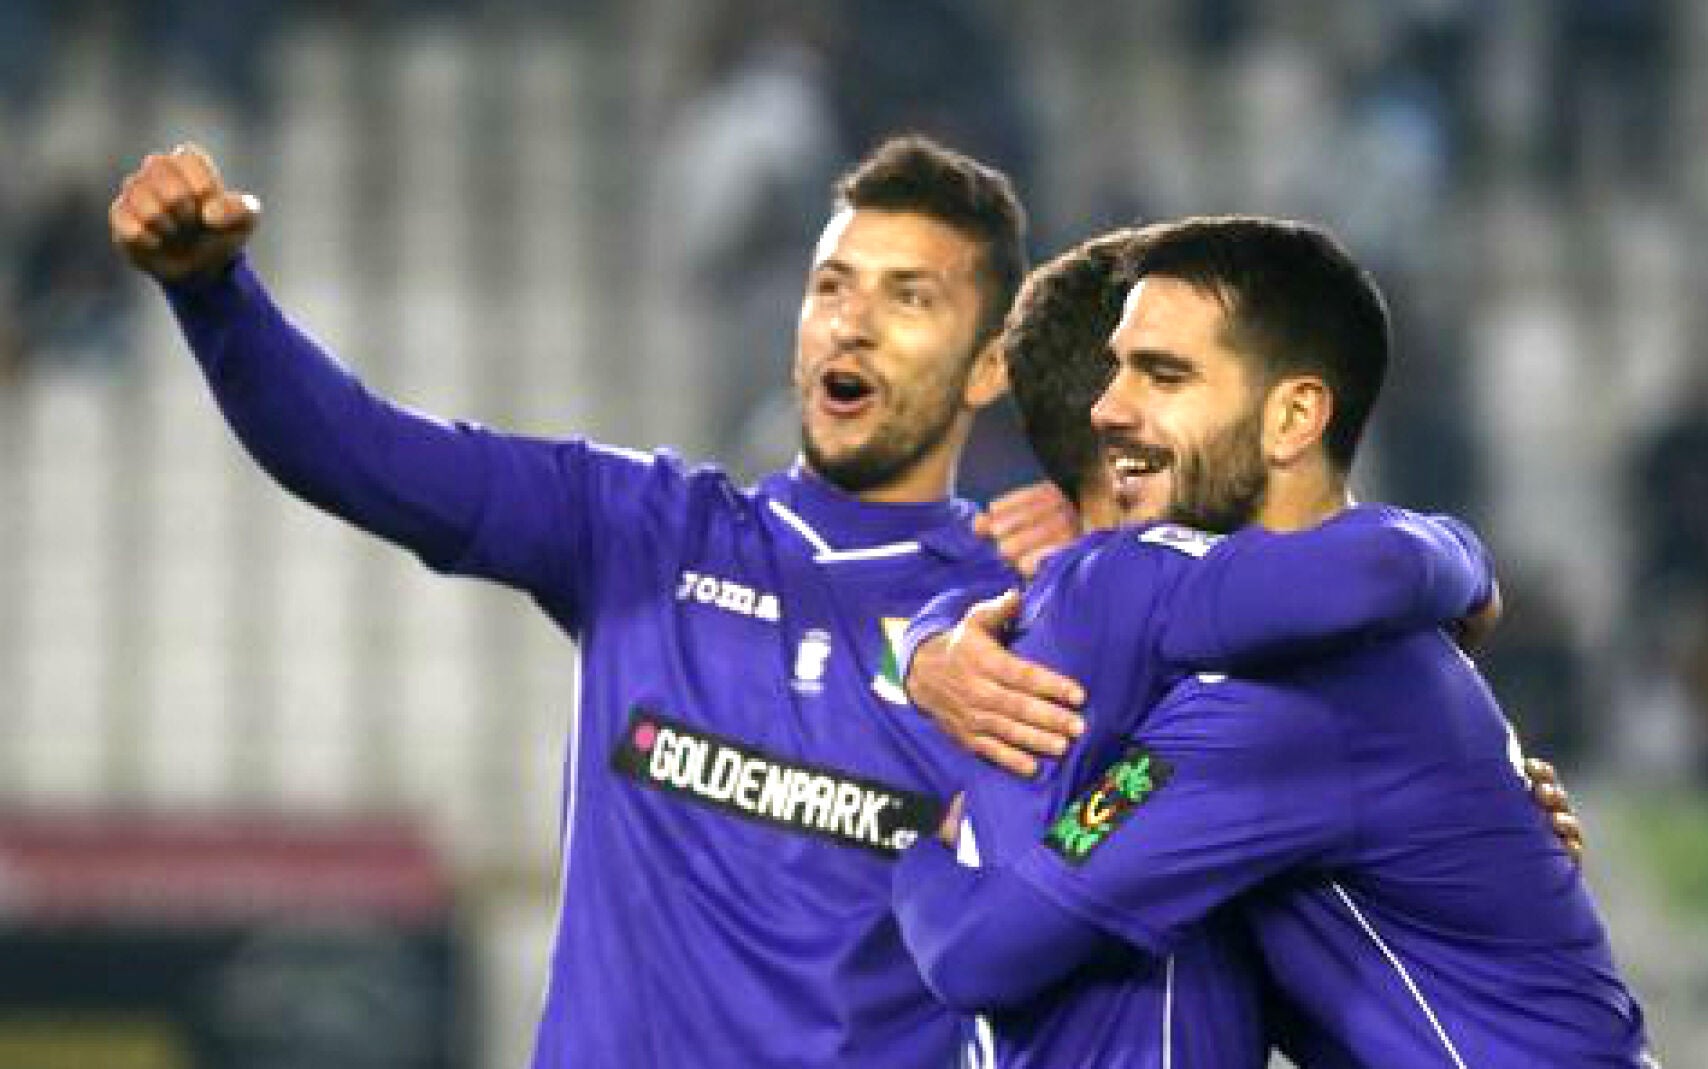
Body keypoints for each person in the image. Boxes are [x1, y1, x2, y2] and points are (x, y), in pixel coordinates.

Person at [111, 135, 1057, 1067]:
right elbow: (357, 450)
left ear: (987, 365)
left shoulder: (1028, 614)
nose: (853, 321)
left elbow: (1149, 842)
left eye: (910, 297)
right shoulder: (641, 529)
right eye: (832, 286)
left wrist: (1134, 536)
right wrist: (212, 295)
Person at [893, 217, 1650, 1065]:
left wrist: (924, 856)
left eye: (1164, 375)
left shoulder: (1275, 704)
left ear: (1294, 416)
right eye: (1116, 369)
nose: (1107, 406)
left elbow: (990, 945)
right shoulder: (1300, 649)